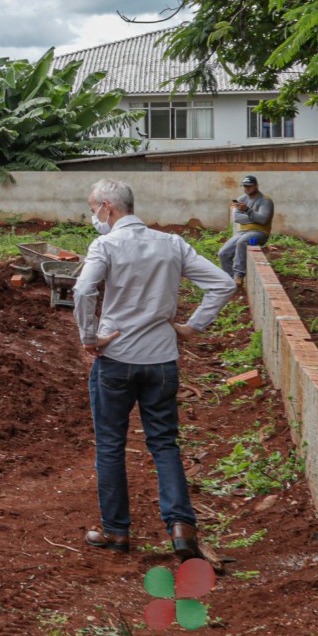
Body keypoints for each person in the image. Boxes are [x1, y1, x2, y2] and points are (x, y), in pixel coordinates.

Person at [74, 179, 236, 561]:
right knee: (164, 444)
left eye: (92, 207)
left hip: (115, 360)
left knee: (111, 446)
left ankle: (116, 532)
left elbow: (83, 291)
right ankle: (181, 528)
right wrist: (192, 326)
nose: (93, 214)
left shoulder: (106, 245)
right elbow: (223, 283)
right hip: (161, 360)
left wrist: (89, 337)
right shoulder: (172, 244)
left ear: (107, 207)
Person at [216, 174, 275, 281]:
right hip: (242, 232)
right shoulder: (241, 199)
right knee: (223, 253)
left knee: (242, 242)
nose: (247, 188)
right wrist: (254, 217)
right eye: (245, 186)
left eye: (250, 186)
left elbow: (263, 220)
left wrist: (247, 210)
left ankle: (239, 276)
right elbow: (237, 218)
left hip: (260, 232)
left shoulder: (265, 200)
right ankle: (230, 280)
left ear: (256, 185)